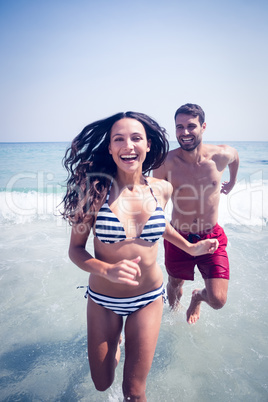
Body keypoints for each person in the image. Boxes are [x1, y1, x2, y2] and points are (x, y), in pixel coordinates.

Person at [62, 111, 219, 401]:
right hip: (104, 300)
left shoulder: (162, 188)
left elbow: (162, 227)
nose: (128, 145)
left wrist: (190, 247)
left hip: (148, 298)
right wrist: (105, 270)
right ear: (109, 148)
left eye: (136, 138)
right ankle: (115, 345)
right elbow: (75, 249)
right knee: (101, 383)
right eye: (118, 139)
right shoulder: (93, 191)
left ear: (148, 145)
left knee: (134, 392)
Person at [154, 103, 239, 325]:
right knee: (174, 285)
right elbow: (156, 209)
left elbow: (235, 156)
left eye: (191, 126)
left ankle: (197, 298)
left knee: (218, 300)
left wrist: (232, 182)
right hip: (178, 236)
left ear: (203, 126)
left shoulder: (221, 156)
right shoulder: (165, 163)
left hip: (211, 236)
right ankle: (173, 321)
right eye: (179, 127)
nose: (185, 132)